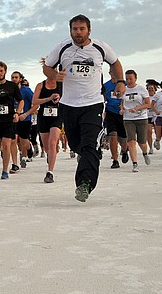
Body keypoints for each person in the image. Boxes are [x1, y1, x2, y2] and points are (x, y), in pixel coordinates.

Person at [43, 14, 125, 202]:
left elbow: (115, 62)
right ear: (70, 30)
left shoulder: (100, 47)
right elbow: (47, 67)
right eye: (74, 29)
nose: (78, 32)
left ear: (89, 30)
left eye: (82, 29)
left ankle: (84, 184)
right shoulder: (63, 47)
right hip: (69, 105)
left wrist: (120, 82)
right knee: (76, 145)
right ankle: (88, 156)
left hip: (93, 103)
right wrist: (55, 75)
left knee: (89, 144)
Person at [30, 75, 63, 183]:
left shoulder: (61, 85)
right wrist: (48, 98)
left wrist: (59, 99)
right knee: (47, 147)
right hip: (43, 117)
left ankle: (50, 173)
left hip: (57, 116)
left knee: (53, 142)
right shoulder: (40, 85)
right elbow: (34, 101)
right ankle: (51, 155)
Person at [121, 70, 151, 173]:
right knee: (131, 141)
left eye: (131, 79)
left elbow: (148, 104)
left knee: (142, 142)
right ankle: (135, 164)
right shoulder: (124, 89)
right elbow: (122, 101)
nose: (128, 81)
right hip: (128, 118)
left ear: (135, 78)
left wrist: (138, 108)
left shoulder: (141, 89)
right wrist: (122, 109)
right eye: (127, 79)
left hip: (141, 117)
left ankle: (145, 152)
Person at [102, 77, 128, 169]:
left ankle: (124, 151)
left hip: (123, 113)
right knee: (113, 136)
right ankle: (115, 160)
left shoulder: (125, 85)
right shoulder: (106, 86)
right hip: (110, 113)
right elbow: (102, 99)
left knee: (123, 138)